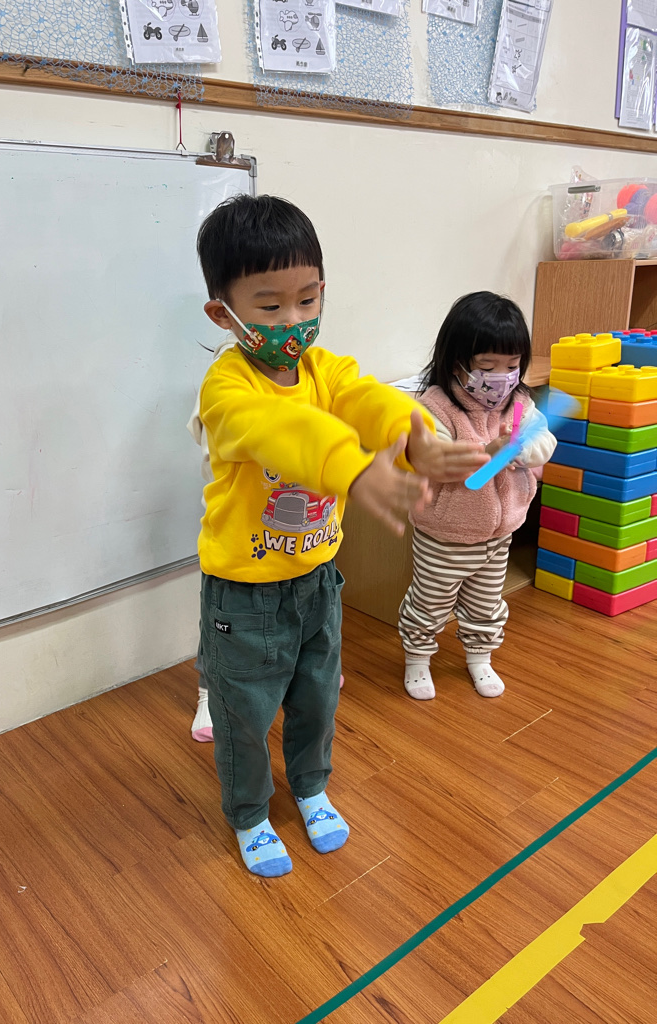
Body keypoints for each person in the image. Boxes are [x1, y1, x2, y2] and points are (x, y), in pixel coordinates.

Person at [194, 195, 486, 877]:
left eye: (307, 298)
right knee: (243, 713)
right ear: (223, 314)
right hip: (245, 593)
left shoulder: (325, 370)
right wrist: (352, 468)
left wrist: (417, 434)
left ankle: (310, 785)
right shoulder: (226, 390)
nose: (293, 320)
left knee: (317, 699)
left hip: (318, 582)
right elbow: (284, 431)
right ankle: (249, 813)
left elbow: (366, 399)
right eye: (269, 306)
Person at [398, 291, 557, 702]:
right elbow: (433, 459)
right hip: (445, 534)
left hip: (498, 534)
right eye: (487, 367)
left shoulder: (519, 403)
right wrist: (487, 452)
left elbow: (544, 441)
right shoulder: (436, 407)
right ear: (458, 363)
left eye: (512, 365)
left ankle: (480, 656)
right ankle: (417, 658)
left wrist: (524, 449)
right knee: (430, 603)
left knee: (486, 604)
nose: (501, 377)